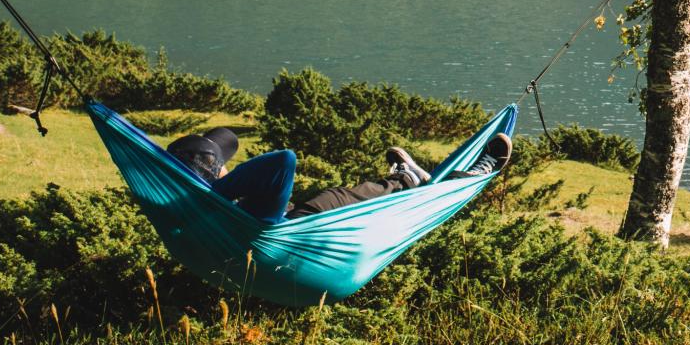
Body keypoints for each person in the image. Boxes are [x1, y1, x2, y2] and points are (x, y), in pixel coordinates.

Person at [164, 126, 513, 222]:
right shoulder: (220, 202)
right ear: (211, 172)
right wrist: (221, 190)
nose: (228, 164)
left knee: (347, 194)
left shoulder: (192, 210)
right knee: (343, 198)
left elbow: (229, 139)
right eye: (221, 162)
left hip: (289, 221)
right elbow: (283, 161)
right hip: (289, 232)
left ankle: (407, 179)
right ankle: (417, 180)